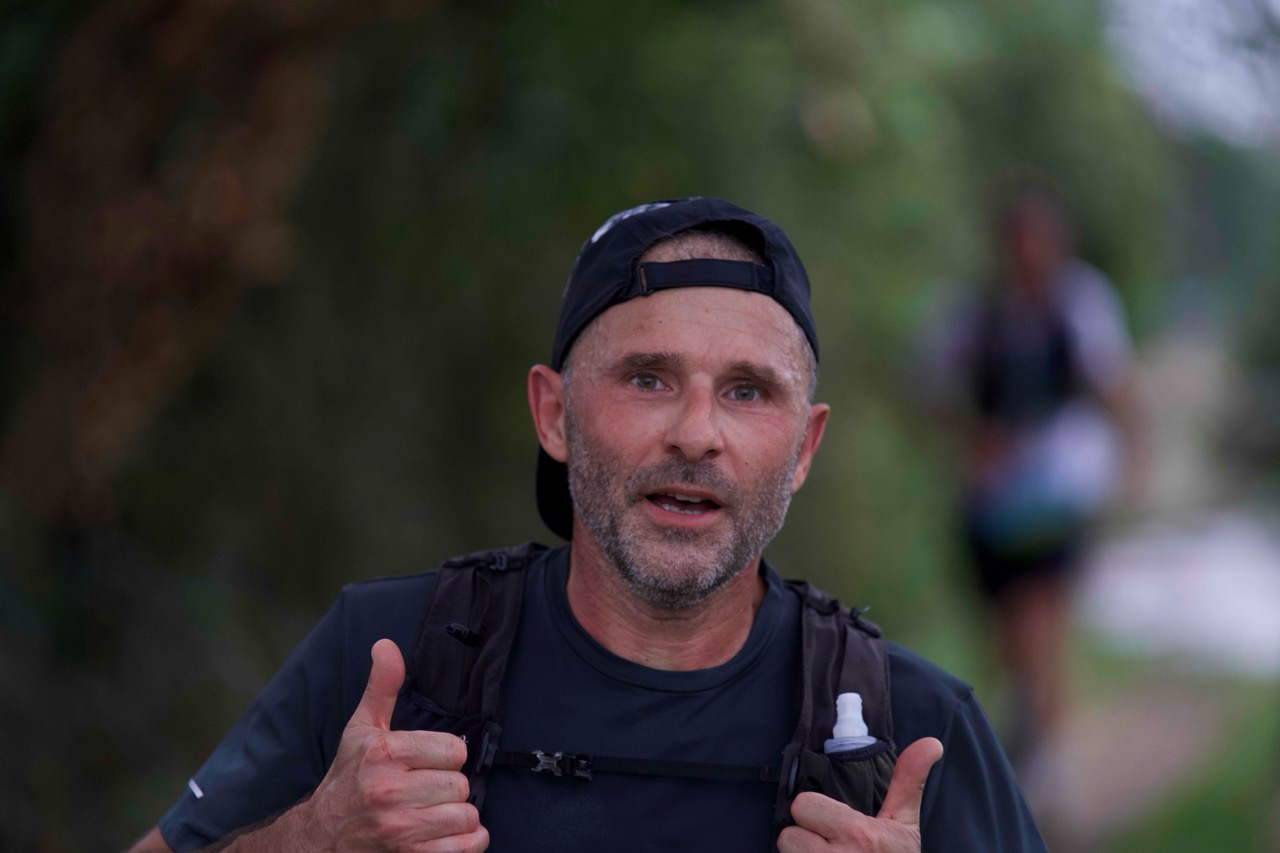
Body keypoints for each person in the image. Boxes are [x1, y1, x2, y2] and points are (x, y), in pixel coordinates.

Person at [130, 197, 1045, 852]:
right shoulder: (388, 662)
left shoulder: (912, 732)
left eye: (746, 391)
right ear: (554, 414)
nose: (696, 433)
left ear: (804, 447)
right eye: (647, 378)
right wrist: (311, 838)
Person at [915, 184, 1146, 817]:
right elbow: (932, 393)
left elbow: (1115, 387)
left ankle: (1046, 771)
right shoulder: (972, 312)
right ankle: (1033, 740)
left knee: (1040, 623)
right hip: (992, 503)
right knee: (1009, 635)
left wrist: (1132, 463)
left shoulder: (1082, 305)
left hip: (1061, 496)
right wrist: (974, 440)